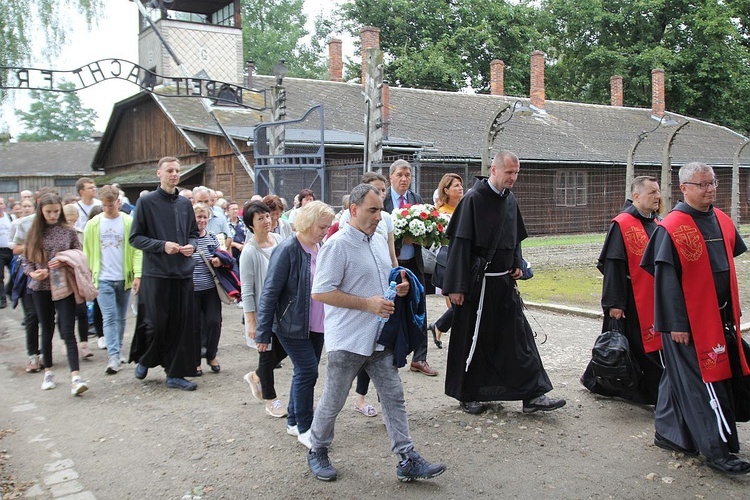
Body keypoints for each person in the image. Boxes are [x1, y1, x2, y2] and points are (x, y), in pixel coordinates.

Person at [305, 183, 446, 482]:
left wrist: (400, 289)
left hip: (380, 338)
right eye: (372, 210)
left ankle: (406, 459)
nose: (378, 216)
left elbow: (387, 280)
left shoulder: (380, 241)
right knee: (334, 399)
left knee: (394, 396)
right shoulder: (337, 244)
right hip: (348, 340)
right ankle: (317, 448)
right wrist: (366, 304)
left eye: (380, 209)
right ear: (353, 210)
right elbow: (320, 292)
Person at [641, 162, 750, 475]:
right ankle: (718, 451)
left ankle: (668, 433)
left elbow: (726, 265)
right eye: (701, 184)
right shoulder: (672, 227)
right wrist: (676, 324)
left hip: (719, 318)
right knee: (706, 386)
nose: (710, 189)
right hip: (688, 326)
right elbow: (664, 280)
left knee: (679, 379)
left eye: (712, 183)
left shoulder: (723, 221)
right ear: (684, 188)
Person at [442, 151, 565, 415]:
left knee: (519, 339)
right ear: (494, 170)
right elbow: (459, 245)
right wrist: (456, 287)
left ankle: (533, 394)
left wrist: (517, 263)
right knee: (473, 339)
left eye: (516, 172)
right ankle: (467, 393)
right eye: (509, 172)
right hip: (477, 287)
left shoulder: (510, 201)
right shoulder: (473, 200)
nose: (513, 177)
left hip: (503, 284)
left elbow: (514, 238)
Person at [256, 200, 334, 448]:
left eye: (327, 227)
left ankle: (292, 421)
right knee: (309, 371)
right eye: (322, 226)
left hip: (317, 323)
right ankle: (305, 427)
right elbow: (269, 292)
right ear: (308, 223)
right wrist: (263, 333)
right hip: (291, 325)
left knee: (303, 372)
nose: (325, 231)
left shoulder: (319, 245)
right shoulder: (288, 249)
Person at [581, 176, 664, 404]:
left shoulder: (656, 222)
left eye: (658, 191)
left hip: (652, 297)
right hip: (629, 298)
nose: (657, 196)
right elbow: (613, 265)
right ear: (636, 196)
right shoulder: (623, 224)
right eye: (651, 192)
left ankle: (605, 383)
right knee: (623, 345)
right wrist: (614, 303)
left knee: (632, 346)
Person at [129, 156, 200, 391]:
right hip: (156, 273)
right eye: (169, 170)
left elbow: (193, 233)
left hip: (183, 273)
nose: (174, 174)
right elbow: (135, 238)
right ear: (159, 173)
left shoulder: (184, 203)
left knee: (181, 325)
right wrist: (162, 246)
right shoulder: (146, 202)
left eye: (177, 170)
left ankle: (175, 373)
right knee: (155, 323)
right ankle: (145, 359)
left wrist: (192, 245)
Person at [338, 172, 398, 416]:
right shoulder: (346, 227)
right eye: (376, 190)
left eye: (383, 190)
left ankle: (389, 408)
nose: (381, 194)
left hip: (384, 296)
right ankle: (359, 398)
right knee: (361, 355)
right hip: (361, 307)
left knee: (384, 355)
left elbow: (390, 252)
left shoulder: (386, 219)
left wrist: (396, 278)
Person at [22, 193, 89, 395]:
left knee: (68, 330)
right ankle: (49, 371)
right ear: (41, 212)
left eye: (55, 211)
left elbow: (79, 255)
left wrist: (64, 260)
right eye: (48, 212)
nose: (52, 215)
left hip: (64, 286)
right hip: (40, 287)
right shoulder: (33, 233)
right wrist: (33, 272)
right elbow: (26, 261)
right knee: (47, 329)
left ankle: (75, 376)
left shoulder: (68, 231)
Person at [382, 159, 436, 376]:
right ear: (391, 177)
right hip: (391, 265)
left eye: (408, 175)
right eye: (400, 175)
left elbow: (425, 231)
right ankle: (388, 354)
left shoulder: (416, 200)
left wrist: (419, 236)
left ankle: (420, 358)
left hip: (414, 263)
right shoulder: (383, 200)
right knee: (391, 310)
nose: (404, 179)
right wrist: (400, 239)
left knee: (419, 309)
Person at [83, 185, 142, 375]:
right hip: (103, 278)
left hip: (123, 277)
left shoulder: (128, 221)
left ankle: (118, 348)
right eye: (105, 205)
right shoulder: (93, 224)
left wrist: (138, 274)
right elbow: (87, 252)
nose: (108, 208)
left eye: (111, 205)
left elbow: (136, 250)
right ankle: (113, 356)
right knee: (109, 317)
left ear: (118, 202)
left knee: (120, 317)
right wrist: (89, 274)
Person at [240, 201, 288, 418]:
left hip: (284, 308)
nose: (267, 221)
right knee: (267, 354)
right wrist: (252, 321)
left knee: (285, 347)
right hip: (263, 311)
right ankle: (270, 399)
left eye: (267, 216)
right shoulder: (249, 252)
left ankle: (257, 376)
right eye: (260, 218)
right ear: (251, 225)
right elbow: (247, 291)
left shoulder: (278, 240)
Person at [428, 173, 465, 348]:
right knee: (454, 300)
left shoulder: (465, 207)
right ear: (446, 190)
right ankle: (441, 328)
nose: (460, 188)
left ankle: (439, 327)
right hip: (448, 260)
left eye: (461, 185)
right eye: (456, 185)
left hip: (464, 259)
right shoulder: (440, 213)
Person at [191, 202, 224, 375]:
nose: (202, 220)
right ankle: (195, 360)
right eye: (199, 217)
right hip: (192, 290)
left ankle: (211, 354)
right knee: (195, 325)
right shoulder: (187, 238)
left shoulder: (212, 237)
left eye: (205, 217)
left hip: (211, 288)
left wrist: (219, 261)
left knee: (214, 322)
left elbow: (223, 256)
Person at [0, 197, 12, 308]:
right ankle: (2, 299)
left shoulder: (9, 217)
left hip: (10, 250)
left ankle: (9, 290)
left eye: (1, 203)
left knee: (14, 273)